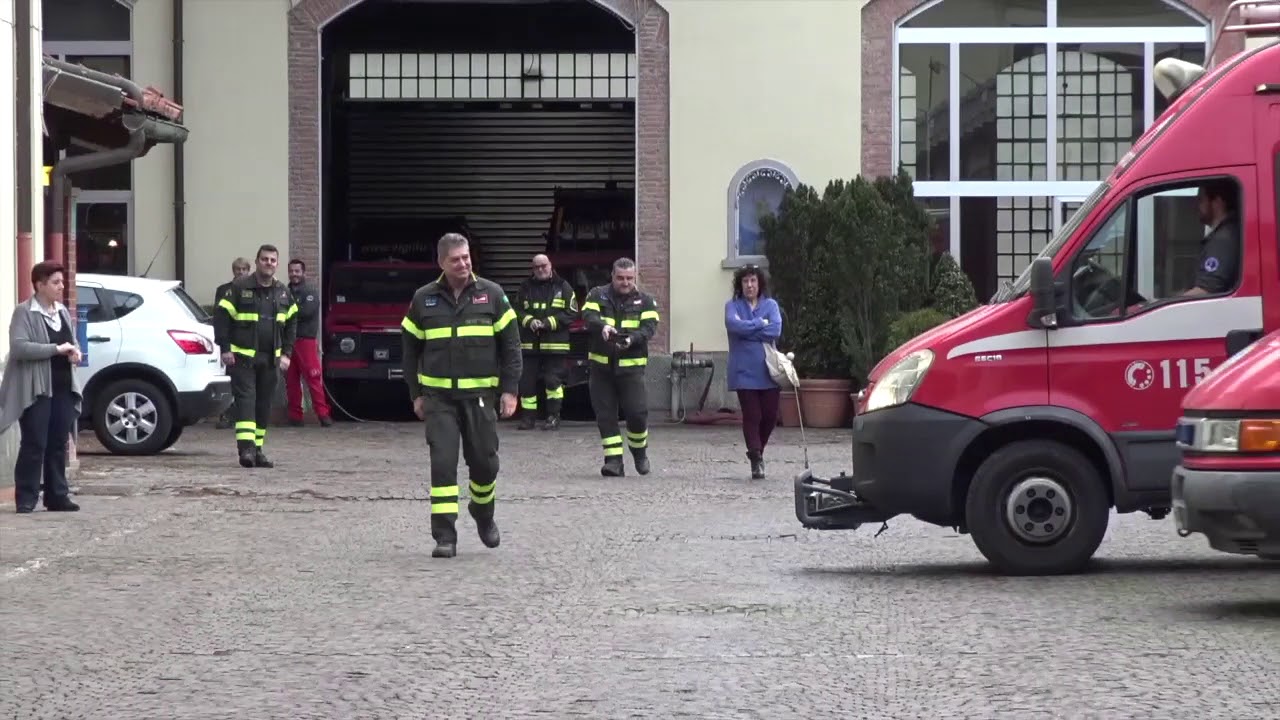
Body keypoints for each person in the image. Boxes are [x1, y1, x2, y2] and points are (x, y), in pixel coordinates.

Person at [400, 233, 521, 559]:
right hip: (439, 399)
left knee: (485, 464)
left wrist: (510, 390)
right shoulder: (423, 299)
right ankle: (445, 536)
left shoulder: (492, 295)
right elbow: (409, 351)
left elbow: (511, 346)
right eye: (456, 259)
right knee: (442, 465)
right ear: (441, 263)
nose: (464, 263)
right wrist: (416, 393)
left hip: (480, 397)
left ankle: (483, 513)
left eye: (466, 257)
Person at [0, 261, 83, 513]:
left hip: (62, 386)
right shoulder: (24, 312)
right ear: (40, 285)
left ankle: (57, 495)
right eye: (56, 282)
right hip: (36, 388)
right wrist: (55, 350)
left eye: (61, 281)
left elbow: (72, 342)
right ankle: (26, 496)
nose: (61, 287)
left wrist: (74, 353)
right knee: (35, 441)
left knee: (59, 442)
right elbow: (19, 347)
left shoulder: (62, 313)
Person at [213, 244, 298, 469]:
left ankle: (258, 449)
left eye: (272, 260)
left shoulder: (282, 292)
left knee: (263, 405)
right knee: (246, 403)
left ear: (277, 264)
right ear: (257, 261)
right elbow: (221, 318)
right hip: (242, 358)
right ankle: (246, 450)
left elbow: (292, 322)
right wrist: (225, 348)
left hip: (271, 359)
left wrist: (287, 353)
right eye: (264, 259)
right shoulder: (239, 287)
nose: (268, 263)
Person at [582, 258, 660, 477]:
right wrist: (602, 327)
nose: (625, 282)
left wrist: (631, 340)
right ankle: (614, 461)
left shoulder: (646, 301)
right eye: (620, 278)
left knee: (637, 414)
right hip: (601, 370)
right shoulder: (597, 295)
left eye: (629, 278)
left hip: (631, 370)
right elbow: (588, 316)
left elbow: (649, 328)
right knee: (605, 416)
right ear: (612, 276)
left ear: (635, 278)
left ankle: (639, 452)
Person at [724, 265, 783, 480]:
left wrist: (748, 329)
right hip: (743, 371)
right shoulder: (732, 306)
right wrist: (759, 324)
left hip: (768, 370)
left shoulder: (771, 305)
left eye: (753, 281)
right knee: (753, 415)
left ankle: (757, 450)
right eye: (746, 281)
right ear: (740, 285)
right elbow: (734, 327)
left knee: (769, 416)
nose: (749, 285)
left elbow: (775, 330)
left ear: (760, 284)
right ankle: (756, 457)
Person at [514, 253, 578, 431]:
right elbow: (516, 310)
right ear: (533, 269)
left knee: (553, 382)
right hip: (529, 344)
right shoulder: (525, 288)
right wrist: (529, 320)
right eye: (537, 267)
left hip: (555, 345)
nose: (541, 269)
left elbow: (572, 312)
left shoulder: (563, 287)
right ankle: (528, 419)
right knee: (526, 383)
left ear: (550, 265)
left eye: (544, 265)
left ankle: (553, 417)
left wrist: (550, 322)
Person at [285, 259, 333, 427]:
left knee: (313, 378)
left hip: (306, 342)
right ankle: (295, 417)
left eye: (297, 271)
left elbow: (306, 312)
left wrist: (288, 311)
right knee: (291, 381)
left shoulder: (310, 291)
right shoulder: (284, 291)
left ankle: (323, 415)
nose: (294, 274)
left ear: (303, 272)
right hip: (288, 342)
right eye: (291, 271)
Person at [1182, 179, 1240, 298]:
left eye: (1201, 200)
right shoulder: (1227, 233)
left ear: (1217, 202)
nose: (1197, 206)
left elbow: (1207, 289)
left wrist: (1166, 304)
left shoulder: (1223, 240)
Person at [214, 256, 252, 429]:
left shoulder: (255, 289)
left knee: (245, 383)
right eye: (238, 269)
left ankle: (243, 415)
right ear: (233, 271)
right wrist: (224, 346)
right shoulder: (223, 290)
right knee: (229, 380)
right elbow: (220, 318)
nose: (241, 272)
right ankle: (227, 414)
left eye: (244, 269)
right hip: (229, 342)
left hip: (249, 344)